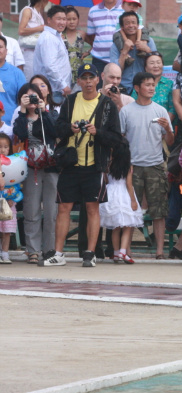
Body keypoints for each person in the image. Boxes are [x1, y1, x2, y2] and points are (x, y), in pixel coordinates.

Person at [44, 63, 122, 267]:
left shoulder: (107, 104)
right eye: (84, 78)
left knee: (92, 208)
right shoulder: (70, 101)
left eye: (91, 78)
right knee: (64, 207)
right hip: (71, 163)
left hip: (94, 165)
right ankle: (59, 253)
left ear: (99, 79)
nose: (88, 82)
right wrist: (70, 129)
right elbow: (58, 129)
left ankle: (90, 252)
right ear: (78, 81)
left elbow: (115, 137)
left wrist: (98, 132)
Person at [120, 71, 173, 260]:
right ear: (136, 88)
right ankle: (128, 250)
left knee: (159, 209)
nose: (151, 88)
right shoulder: (126, 111)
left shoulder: (160, 110)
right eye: (147, 84)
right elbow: (121, 139)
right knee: (130, 209)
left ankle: (160, 250)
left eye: (153, 85)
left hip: (155, 165)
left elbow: (171, 140)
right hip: (132, 166)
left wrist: (167, 128)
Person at [13, 83, 58, 265]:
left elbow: (55, 131)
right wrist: (24, 111)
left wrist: (43, 110)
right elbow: (21, 134)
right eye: (27, 96)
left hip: (50, 166)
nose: (31, 100)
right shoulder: (21, 117)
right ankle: (32, 250)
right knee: (31, 209)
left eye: (34, 96)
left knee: (51, 210)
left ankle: (49, 249)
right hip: (30, 167)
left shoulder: (50, 114)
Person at [99, 141, 143, 264]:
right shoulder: (128, 166)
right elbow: (129, 184)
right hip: (124, 194)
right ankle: (123, 251)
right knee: (128, 226)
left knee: (116, 227)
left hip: (111, 192)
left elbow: (106, 179)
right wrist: (133, 201)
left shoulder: (109, 164)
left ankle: (116, 252)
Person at [109, 11, 156, 93]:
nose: (131, 25)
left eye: (133, 22)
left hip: (143, 87)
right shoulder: (115, 45)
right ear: (122, 27)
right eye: (127, 23)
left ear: (138, 25)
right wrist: (124, 51)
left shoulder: (149, 41)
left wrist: (147, 49)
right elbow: (115, 71)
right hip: (123, 86)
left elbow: (156, 64)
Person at [33, 5, 72, 97]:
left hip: (57, 89)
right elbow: (50, 66)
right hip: (53, 90)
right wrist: (63, 86)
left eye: (64, 19)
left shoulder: (56, 36)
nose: (62, 22)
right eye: (59, 19)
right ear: (49, 20)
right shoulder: (48, 38)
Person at [131, 52, 175, 121]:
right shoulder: (140, 84)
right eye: (152, 63)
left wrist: (164, 125)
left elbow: (172, 109)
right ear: (145, 67)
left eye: (158, 62)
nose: (156, 66)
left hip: (164, 126)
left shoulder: (169, 84)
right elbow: (132, 104)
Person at [86, 0, 125, 76]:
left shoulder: (124, 9)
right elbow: (91, 35)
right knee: (99, 86)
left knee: (118, 85)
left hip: (120, 57)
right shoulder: (93, 11)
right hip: (99, 58)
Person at [112, 0, 149, 66]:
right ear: (122, 6)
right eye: (129, 5)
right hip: (121, 34)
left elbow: (139, 28)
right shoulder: (120, 17)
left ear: (138, 7)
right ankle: (126, 56)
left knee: (145, 31)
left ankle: (142, 49)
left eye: (135, 6)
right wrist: (126, 40)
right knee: (116, 37)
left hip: (138, 35)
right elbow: (120, 29)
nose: (132, 8)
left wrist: (138, 41)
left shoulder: (139, 17)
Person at [0, 36, 26, 123]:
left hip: (9, 125)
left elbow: (23, 100)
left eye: (0, 47)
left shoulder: (17, 73)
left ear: (6, 51)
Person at [18, 0, 46, 80]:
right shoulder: (28, 10)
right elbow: (21, 30)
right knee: (30, 79)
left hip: (37, 52)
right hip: (28, 52)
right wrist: (40, 28)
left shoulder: (38, 13)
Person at [0, 133, 17, 264]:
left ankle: (5, 253)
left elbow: (17, 184)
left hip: (9, 202)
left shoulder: (14, 163)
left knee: (7, 229)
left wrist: (14, 199)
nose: (3, 149)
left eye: (6, 147)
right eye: (0, 146)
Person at [62, 6, 87, 88]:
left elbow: (96, 42)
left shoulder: (81, 34)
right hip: (64, 72)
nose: (71, 22)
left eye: (74, 19)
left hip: (79, 72)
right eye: (68, 19)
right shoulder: (61, 35)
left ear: (78, 20)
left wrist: (88, 52)